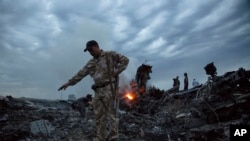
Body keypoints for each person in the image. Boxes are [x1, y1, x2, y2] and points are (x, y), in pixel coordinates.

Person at [58, 40, 129, 141]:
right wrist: (69, 83)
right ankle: (101, 137)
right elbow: (81, 73)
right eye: (88, 51)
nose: (90, 53)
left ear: (96, 47)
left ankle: (113, 137)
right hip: (97, 91)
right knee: (99, 116)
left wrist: (115, 72)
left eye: (91, 50)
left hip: (109, 89)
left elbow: (125, 60)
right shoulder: (91, 62)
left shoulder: (110, 55)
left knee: (112, 115)